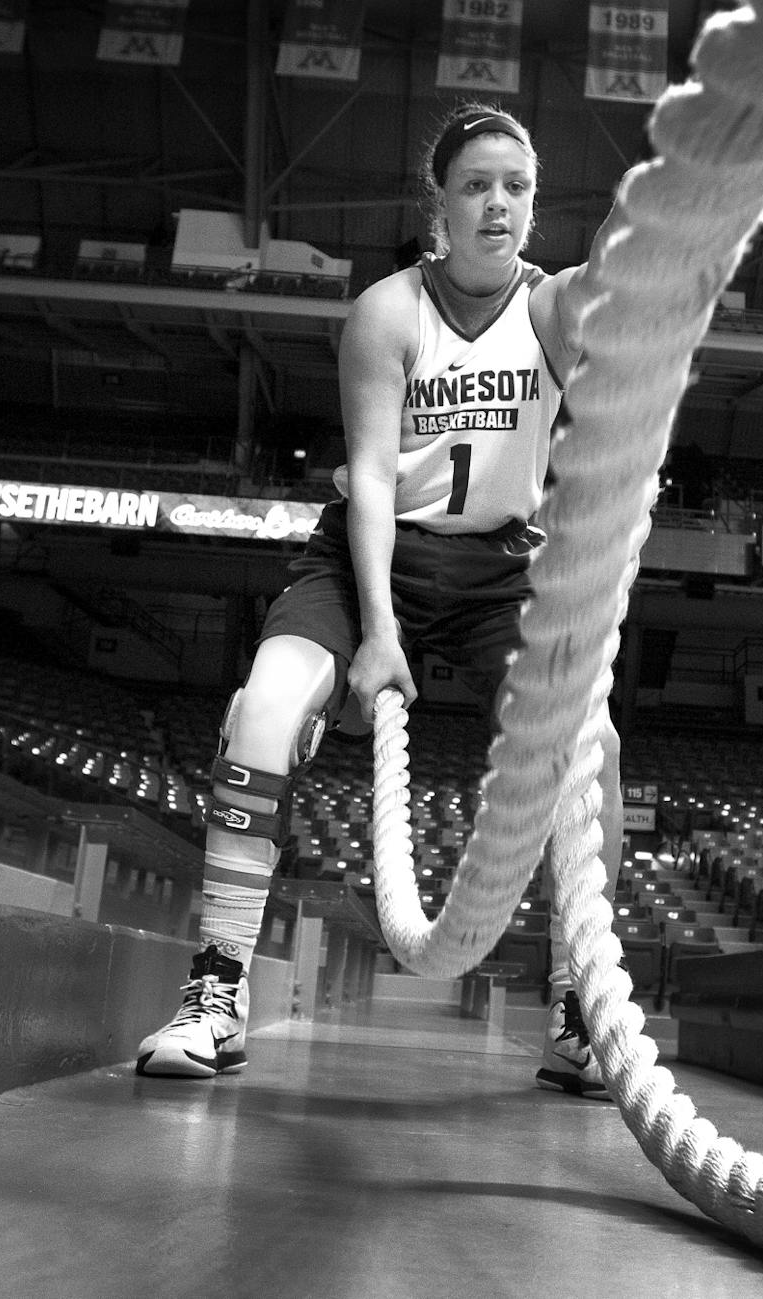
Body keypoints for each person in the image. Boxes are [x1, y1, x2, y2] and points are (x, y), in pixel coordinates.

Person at [136, 104, 625, 1095]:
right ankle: (216, 989)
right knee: (265, 710)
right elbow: (367, 479)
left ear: (536, 208)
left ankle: (579, 1013)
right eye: (477, 184)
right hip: (370, 554)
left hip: (501, 568)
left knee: (594, 745)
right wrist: (380, 635)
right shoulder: (389, 311)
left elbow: (623, 289)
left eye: (517, 187)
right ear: (439, 203)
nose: (498, 203)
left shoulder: (552, 306)